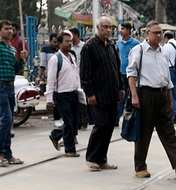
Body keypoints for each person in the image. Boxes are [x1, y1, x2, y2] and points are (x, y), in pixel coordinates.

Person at [127, 21, 176, 178]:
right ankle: (140, 167)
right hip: (146, 95)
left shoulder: (162, 51)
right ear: (147, 33)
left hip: (163, 94)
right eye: (155, 33)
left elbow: (167, 77)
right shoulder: (138, 50)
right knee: (144, 132)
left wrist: (171, 97)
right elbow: (131, 74)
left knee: (168, 131)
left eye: (160, 32)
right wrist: (134, 95)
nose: (158, 35)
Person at [80, 16, 123, 171]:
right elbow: (85, 73)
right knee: (100, 125)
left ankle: (102, 159)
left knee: (110, 126)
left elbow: (117, 68)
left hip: (112, 94)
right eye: (105, 27)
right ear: (98, 28)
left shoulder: (111, 46)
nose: (108, 30)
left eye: (110, 27)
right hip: (97, 95)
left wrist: (120, 88)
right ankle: (92, 158)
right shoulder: (89, 47)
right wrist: (89, 93)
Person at [46, 32, 81, 157]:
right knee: (69, 121)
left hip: (73, 93)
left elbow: (76, 74)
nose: (69, 43)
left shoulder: (72, 57)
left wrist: (80, 89)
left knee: (75, 122)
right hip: (61, 95)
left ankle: (55, 135)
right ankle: (69, 149)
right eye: (66, 41)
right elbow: (51, 80)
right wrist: (49, 98)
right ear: (60, 43)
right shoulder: (55, 59)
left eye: (70, 41)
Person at [0, 20, 24, 167]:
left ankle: (8, 154)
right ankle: (2, 153)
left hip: (10, 86)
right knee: (6, 119)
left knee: (9, 122)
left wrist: (21, 59)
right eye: (6, 28)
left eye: (11, 28)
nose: (10, 31)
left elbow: (16, 69)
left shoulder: (12, 49)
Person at [161, 31, 176, 124]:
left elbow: (163, 59)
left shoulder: (166, 46)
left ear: (166, 37)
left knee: (171, 93)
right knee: (174, 92)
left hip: (171, 71)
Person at [116, 22, 140, 121]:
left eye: (123, 29)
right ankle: (117, 117)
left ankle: (131, 116)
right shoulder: (118, 44)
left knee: (131, 94)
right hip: (121, 73)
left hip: (132, 74)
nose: (121, 31)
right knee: (121, 95)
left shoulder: (136, 43)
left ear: (129, 30)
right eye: (120, 29)